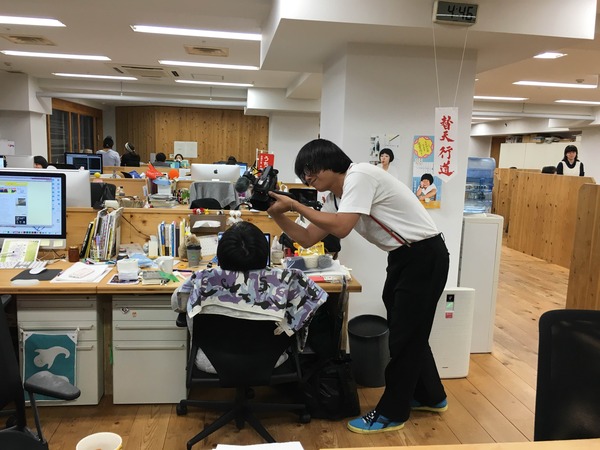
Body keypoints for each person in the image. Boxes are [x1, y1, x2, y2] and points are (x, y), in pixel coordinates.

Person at [267, 138, 449, 434]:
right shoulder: (335, 197)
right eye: (303, 174)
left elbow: (341, 227)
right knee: (408, 331)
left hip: (423, 255)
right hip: (403, 257)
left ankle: (392, 412)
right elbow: (308, 238)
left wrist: (296, 204)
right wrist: (276, 214)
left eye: (311, 171)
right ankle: (431, 395)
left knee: (404, 336)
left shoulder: (360, 175)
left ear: (330, 163)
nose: (308, 178)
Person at [171, 221, 327, 373]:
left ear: (221, 253)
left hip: (210, 362)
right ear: (263, 251)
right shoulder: (289, 280)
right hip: (272, 361)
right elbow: (309, 307)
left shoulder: (202, 279)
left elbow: (177, 303)